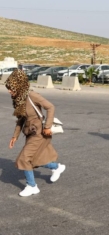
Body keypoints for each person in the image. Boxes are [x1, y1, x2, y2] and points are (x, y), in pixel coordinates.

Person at [5, 69, 66, 197]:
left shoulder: (32, 96)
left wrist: (48, 126)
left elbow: (50, 107)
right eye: (9, 88)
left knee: (23, 158)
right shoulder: (18, 99)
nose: (10, 91)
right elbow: (21, 119)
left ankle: (32, 186)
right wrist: (14, 136)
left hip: (39, 132)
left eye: (11, 88)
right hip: (29, 133)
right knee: (33, 159)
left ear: (19, 85)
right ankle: (56, 167)